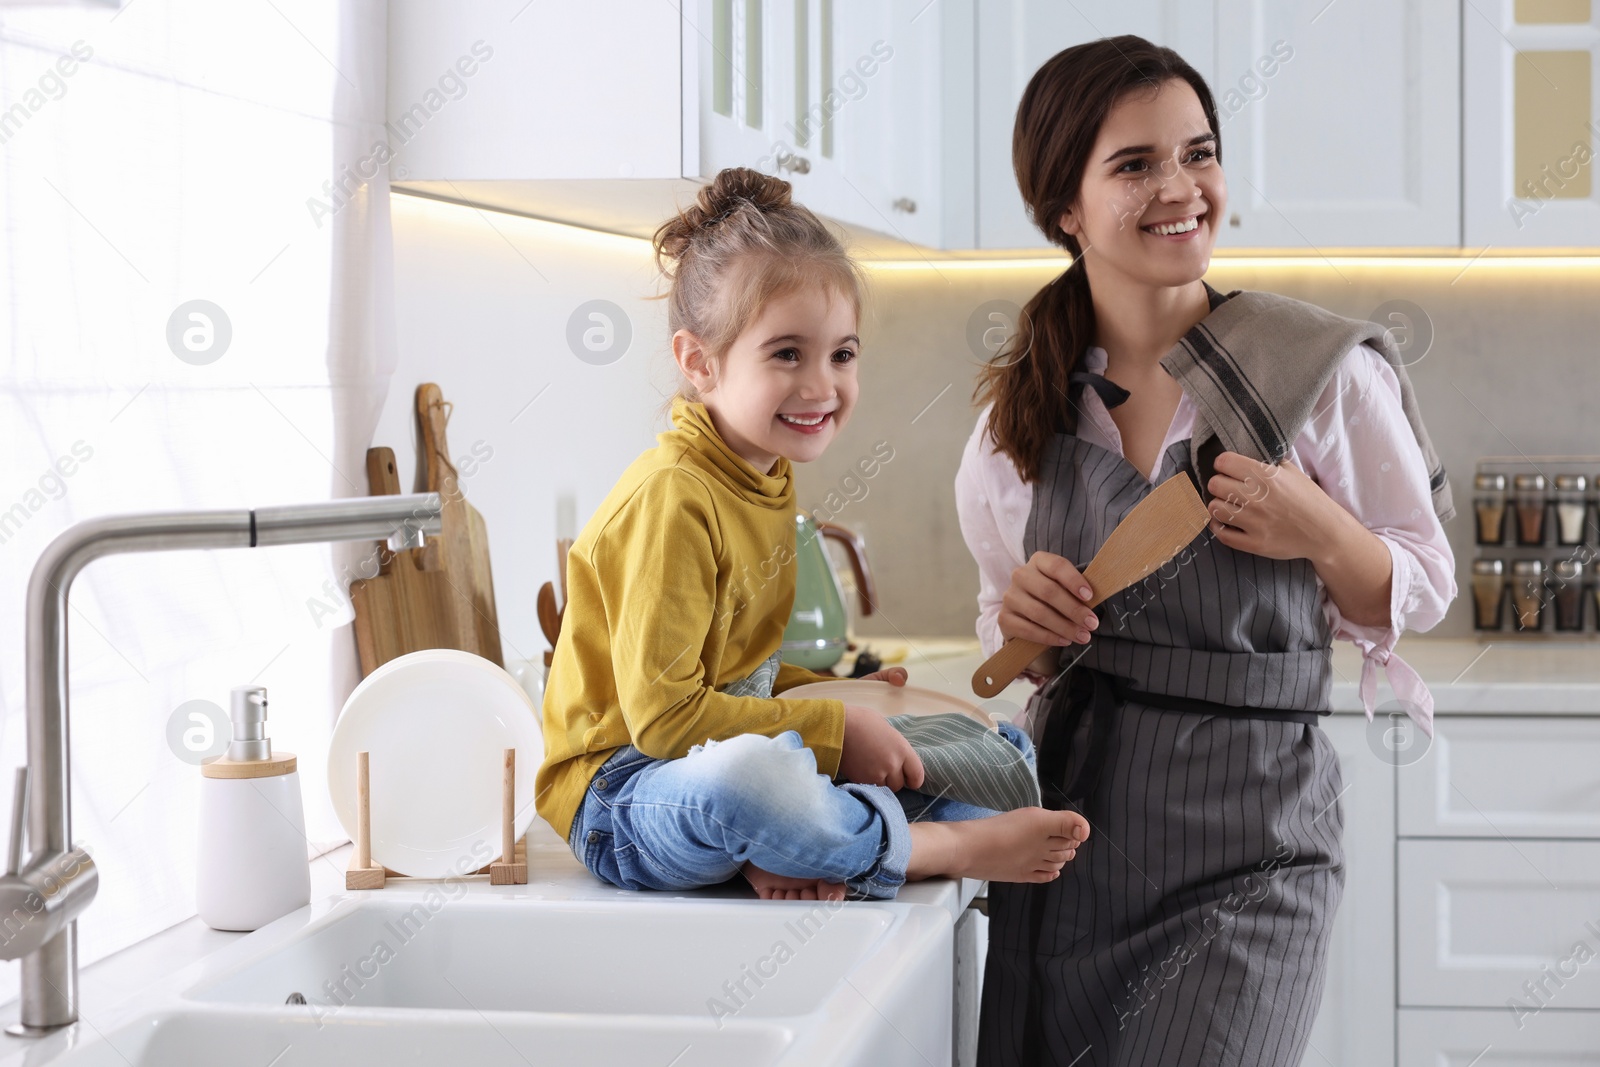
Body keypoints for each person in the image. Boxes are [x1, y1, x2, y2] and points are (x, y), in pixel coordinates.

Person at [956, 37, 1456, 1066]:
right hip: (1078, 830)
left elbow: (1423, 580)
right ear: (1063, 206)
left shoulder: (1317, 375)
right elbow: (1006, 634)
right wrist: (1024, 625)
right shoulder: (1021, 416)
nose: (1181, 188)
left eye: (1200, 152)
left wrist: (1315, 528)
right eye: (1134, 164)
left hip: (1259, 845)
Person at [535, 166, 1089, 904]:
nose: (821, 385)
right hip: (623, 792)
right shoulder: (674, 498)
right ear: (700, 362)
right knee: (751, 784)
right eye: (787, 353)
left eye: (842, 353)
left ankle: (801, 848)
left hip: (698, 763)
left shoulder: (761, 476)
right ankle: (930, 844)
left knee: (986, 746)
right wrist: (837, 731)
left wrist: (839, 694)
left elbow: (738, 678)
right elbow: (667, 720)